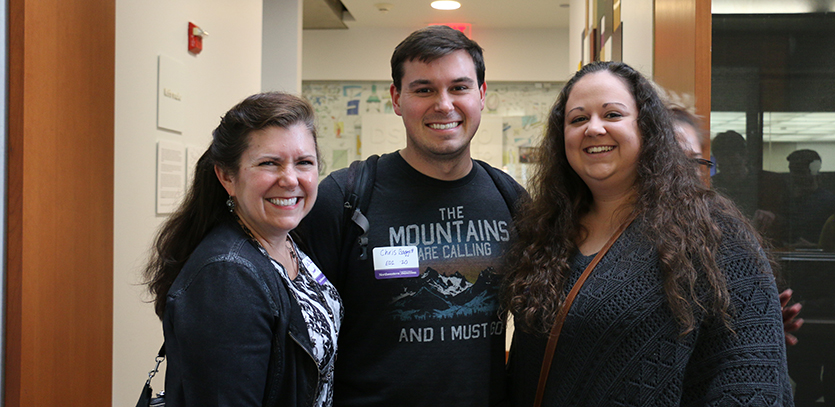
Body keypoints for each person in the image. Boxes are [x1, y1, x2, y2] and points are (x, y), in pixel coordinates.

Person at [502, 61, 793, 405]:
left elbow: (751, 376)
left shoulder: (713, 230)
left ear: (647, 128)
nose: (593, 128)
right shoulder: (546, 234)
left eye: (612, 114)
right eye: (578, 119)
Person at [294, 25, 524, 406]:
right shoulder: (343, 198)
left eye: (459, 87)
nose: (444, 104)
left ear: (482, 96)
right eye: (424, 89)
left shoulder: (510, 199)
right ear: (397, 98)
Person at [144, 92, 343, 407]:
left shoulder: (287, 242)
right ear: (227, 177)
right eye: (269, 163)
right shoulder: (226, 277)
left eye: (304, 162)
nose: (290, 179)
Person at [669, 103, 804, 345]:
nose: (684, 176)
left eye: (695, 163)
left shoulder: (768, 183)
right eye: (672, 163)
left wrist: (757, 326)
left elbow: (798, 221)